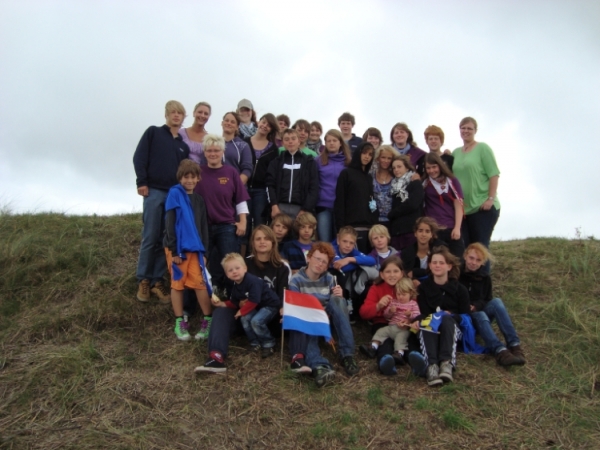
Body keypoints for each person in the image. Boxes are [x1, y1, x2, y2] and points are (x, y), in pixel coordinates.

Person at [133, 100, 190, 303]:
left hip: (173, 195)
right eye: (172, 112)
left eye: (179, 113)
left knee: (165, 238)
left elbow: (183, 173)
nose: (176, 115)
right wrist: (142, 182)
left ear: (183, 117)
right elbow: (139, 157)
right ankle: (143, 279)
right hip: (154, 191)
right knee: (150, 235)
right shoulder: (153, 133)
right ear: (166, 114)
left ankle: (157, 281)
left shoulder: (183, 146)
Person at [289, 242, 359, 387]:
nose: (320, 264)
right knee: (305, 321)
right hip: (308, 317)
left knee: (338, 300)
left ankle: (347, 354)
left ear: (327, 266)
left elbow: (336, 306)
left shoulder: (330, 278)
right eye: (317, 259)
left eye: (324, 262)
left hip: (328, 317)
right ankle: (319, 365)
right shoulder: (296, 280)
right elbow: (297, 308)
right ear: (309, 258)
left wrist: (340, 295)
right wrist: (318, 315)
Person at [246, 225, 311, 373]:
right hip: (251, 311)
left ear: (273, 242)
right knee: (224, 312)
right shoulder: (246, 264)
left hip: (274, 314)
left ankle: (293, 355)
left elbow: (284, 293)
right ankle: (218, 355)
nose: (262, 242)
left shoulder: (282, 266)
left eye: (266, 238)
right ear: (253, 243)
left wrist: (283, 308)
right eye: (258, 239)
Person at [194, 134, 249, 292]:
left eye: (216, 150)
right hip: (203, 227)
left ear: (222, 152)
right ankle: (210, 291)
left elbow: (240, 199)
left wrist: (243, 222)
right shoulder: (197, 173)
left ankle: (233, 294)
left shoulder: (231, 172)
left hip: (226, 225)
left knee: (231, 262)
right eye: (209, 150)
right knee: (201, 261)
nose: (213, 153)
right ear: (204, 152)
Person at [163, 159, 211, 341]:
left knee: (199, 283)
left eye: (193, 177)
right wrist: (174, 251)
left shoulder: (199, 200)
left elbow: (203, 227)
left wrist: (205, 252)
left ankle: (208, 320)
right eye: (186, 177)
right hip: (178, 249)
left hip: (196, 249)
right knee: (178, 284)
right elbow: (170, 223)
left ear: (198, 178)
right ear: (180, 178)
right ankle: (179, 322)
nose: (189, 180)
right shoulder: (174, 194)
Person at [411, 246, 471, 387]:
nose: (437, 265)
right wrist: (418, 320)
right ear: (430, 265)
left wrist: (450, 315)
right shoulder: (423, 288)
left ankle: (446, 363)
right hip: (431, 329)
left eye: (441, 263)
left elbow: (466, 316)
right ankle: (431, 366)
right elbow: (423, 313)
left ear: (449, 266)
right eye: (434, 262)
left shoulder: (460, 289)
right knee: (427, 321)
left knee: (445, 319)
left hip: (452, 329)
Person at [459, 243, 525, 366]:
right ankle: (500, 351)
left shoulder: (485, 277)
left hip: (479, 310)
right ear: (465, 256)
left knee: (496, 302)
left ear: (483, 263)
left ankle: (514, 345)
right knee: (480, 315)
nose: (473, 262)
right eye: (471, 258)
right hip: (465, 316)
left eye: (478, 260)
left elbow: (487, 299)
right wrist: (466, 306)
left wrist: (476, 305)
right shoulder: (456, 274)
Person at [452, 117, 501, 272]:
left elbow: (494, 174)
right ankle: (468, 284)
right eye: (463, 128)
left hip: (482, 207)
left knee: (480, 248)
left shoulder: (482, 148)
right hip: (464, 210)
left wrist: (490, 199)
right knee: (465, 250)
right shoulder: (455, 152)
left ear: (475, 131)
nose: (466, 131)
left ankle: (483, 282)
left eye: (469, 128)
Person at [359, 256, 422, 376]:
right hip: (382, 322)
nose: (392, 275)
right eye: (388, 271)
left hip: (404, 324)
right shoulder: (376, 288)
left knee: (408, 339)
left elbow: (415, 309)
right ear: (382, 275)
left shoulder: (408, 288)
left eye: (396, 271)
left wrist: (408, 319)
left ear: (402, 273)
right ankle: (385, 361)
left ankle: (415, 359)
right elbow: (363, 313)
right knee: (384, 340)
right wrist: (378, 306)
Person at [213, 253, 281, 358]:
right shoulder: (236, 286)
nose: (234, 271)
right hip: (257, 306)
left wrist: (242, 311)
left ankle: (268, 342)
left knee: (256, 321)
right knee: (244, 319)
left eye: (237, 268)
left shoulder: (252, 281)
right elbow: (234, 302)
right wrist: (222, 303)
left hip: (270, 304)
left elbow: (254, 300)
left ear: (245, 268)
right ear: (227, 274)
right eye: (230, 270)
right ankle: (254, 342)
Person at [361, 278, 420, 363]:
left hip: (404, 329)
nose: (400, 297)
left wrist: (410, 315)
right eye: (398, 294)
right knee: (380, 332)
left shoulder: (413, 304)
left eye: (403, 294)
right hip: (392, 326)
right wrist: (390, 311)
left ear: (410, 293)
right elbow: (386, 316)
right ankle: (373, 347)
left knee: (401, 340)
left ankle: (399, 354)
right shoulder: (394, 302)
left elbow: (417, 315)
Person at [334, 142, 377, 254]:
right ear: (358, 153)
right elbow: (340, 201)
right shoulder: (346, 173)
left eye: (370, 154)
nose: (367, 157)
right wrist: (340, 228)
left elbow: (371, 201)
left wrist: (373, 221)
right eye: (364, 153)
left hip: (368, 227)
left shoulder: (368, 177)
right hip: (350, 226)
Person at [267, 128, 319, 219]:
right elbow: (270, 185)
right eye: (287, 139)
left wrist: (305, 209)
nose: (290, 142)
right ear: (283, 143)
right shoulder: (276, 162)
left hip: (301, 208)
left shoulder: (309, 162)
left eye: (293, 139)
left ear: (299, 141)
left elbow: (314, 187)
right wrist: (274, 205)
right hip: (280, 207)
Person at [423, 153, 465, 258]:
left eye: (434, 167)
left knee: (457, 260)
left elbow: (458, 205)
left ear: (440, 166)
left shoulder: (452, 181)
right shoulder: (425, 183)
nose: (431, 170)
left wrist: (457, 228)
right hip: (434, 229)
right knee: (437, 260)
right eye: (428, 168)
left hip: (451, 226)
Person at [331, 226, 377, 320]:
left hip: (348, 282)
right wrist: (358, 263)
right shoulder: (332, 250)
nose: (348, 245)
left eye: (351, 243)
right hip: (334, 282)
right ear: (338, 240)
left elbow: (372, 260)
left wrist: (350, 259)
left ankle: (352, 306)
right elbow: (342, 268)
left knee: (360, 272)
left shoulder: (353, 252)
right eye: (345, 241)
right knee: (346, 274)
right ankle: (344, 307)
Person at [315, 129, 352, 243]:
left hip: (342, 208)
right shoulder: (318, 161)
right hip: (323, 206)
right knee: (324, 242)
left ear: (340, 143)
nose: (331, 143)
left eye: (334, 140)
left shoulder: (349, 162)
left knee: (341, 242)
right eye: (328, 141)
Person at [246, 113, 280, 229]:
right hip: (244, 188)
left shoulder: (273, 149)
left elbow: (272, 173)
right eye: (263, 122)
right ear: (258, 122)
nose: (265, 126)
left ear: (271, 129)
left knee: (259, 225)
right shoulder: (244, 142)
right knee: (244, 224)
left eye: (269, 125)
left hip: (261, 191)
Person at [388, 155, 424, 251]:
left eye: (399, 167)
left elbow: (413, 204)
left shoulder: (415, 183)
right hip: (396, 232)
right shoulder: (394, 187)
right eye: (394, 168)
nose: (396, 170)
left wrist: (393, 213)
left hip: (410, 230)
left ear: (407, 168)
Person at [401, 217, 447, 287]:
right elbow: (406, 273)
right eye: (420, 231)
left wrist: (415, 272)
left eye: (427, 231)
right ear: (415, 233)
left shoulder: (440, 249)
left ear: (431, 234)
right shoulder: (407, 252)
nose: (423, 234)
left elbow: (443, 270)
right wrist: (413, 279)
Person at [216, 112, 253, 185]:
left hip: (235, 187)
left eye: (232, 122)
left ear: (237, 127)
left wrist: (235, 186)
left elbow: (247, 169)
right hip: (215, 186)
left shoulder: (243, 145)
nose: (229, 123)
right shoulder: (213, 144)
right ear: (222, 123)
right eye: (226, 120)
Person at [372, 145, 400, 229]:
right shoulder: (371, 176)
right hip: (374, 221)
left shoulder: (397, 177)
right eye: (383, 157)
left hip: (393, 221)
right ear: (378, 158)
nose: (386, 161)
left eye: (389, 158)